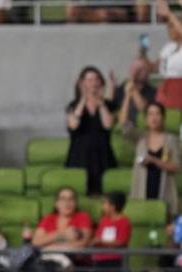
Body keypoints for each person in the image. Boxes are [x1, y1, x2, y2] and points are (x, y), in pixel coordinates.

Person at [65, 66, 116, 195]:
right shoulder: (74, 105)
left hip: (103, 155)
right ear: (82, 83)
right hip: (79, 156)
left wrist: (101, 104)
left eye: (96, 79)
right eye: (89, 79)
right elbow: (73, 125)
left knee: (105, 193)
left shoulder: (107, 104)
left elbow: (108, 125)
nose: (93, 82)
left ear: (100, 82)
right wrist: (83, 99)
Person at [124, 101, 180, 217]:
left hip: (164, 190)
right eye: (150, 114)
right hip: (142, 191)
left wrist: (154, 160)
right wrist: (128, 96)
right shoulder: (140, 138)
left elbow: (176, 167)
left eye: (157, 114)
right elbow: (124, 125)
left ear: (163, 117)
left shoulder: (171, 139)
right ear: (146, 119)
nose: (154, 118)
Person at [155, 0, 182, 110]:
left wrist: (169, 14)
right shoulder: (168, 47)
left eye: (172, 25)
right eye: (168, 26)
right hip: (167, 87)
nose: (169, 29)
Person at [113, 58, 156, 125]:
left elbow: (144, 110)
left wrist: (133, 85)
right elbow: (115, 109)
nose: (137, 71)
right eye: (135, 68)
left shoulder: (153, 91)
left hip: (141, 129)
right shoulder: (122, 87)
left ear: (148, 73)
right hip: (124, 128)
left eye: (142, 69)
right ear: (130, 70)